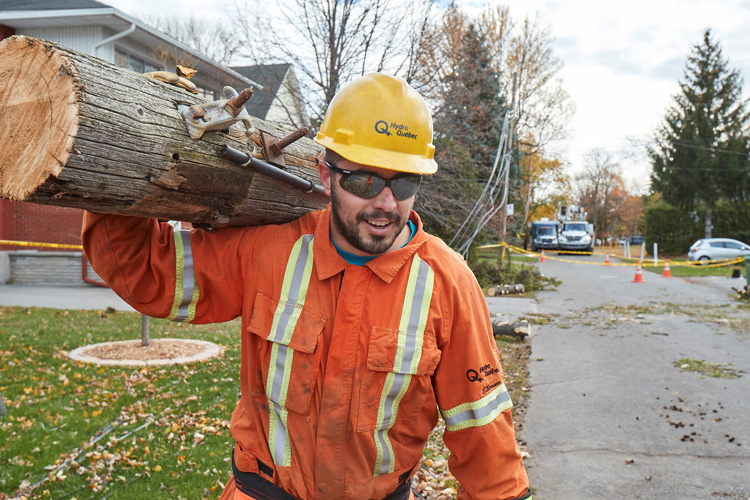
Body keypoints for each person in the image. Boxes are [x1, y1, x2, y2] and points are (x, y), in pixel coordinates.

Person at [82, 73, 531, 500]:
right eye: (364, 180)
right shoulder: (268, 250)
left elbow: (484, 434)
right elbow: (145, 270)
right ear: (325, 174)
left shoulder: (448, 284)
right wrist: (141, 145)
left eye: (405, 181)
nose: (385, 202)